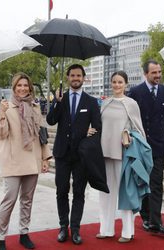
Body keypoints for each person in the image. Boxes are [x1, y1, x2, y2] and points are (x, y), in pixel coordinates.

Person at [0, 72, 52, 250]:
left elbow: (42, 134)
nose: (22, 88)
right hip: (12, 160)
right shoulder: (6, 107)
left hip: (32, 160)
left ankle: (24, 233)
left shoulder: (34, 107)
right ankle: (0, 237)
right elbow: (0, 134)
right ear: (14, 87)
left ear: (30, 88)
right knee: (9, 200)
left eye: (26, 85)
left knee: (27, 200)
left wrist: (45, 157)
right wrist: (1, 114)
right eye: (19, 85)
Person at [46, 64, 101, 245]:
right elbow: (51, 120)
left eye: (79, 75)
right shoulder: (61, 98)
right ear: (68, 78)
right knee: (61, 191)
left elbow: (97, 128)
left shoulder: (91, 102)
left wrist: (86, 132)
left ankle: (75, 229)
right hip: (62, 154)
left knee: (79, 193)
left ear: (84, 78)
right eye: (72, 75)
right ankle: (63, 227)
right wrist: (56, 101)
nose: (75, 78)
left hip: (81, 156)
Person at [97, 71, 146, 243]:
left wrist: (131, 138)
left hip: (123, 154)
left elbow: (139, 130)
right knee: (105, 193)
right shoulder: (104, 103)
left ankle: (128, 231)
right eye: (114, 82)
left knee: (125, 192)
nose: (117, 85)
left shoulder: (131, 104)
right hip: (104, 154)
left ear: (126, 84)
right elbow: (98, 126)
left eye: (120, 82)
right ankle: (105, 229)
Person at [128, 59, 164, 235]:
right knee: (143, 182)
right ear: (145, 74)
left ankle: (155, 221)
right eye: (154, 72)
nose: (158, 76)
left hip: (160, 145)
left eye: (159, 72)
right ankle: (146, 216)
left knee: (156, 183)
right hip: (141, 145)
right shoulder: (136, 92)